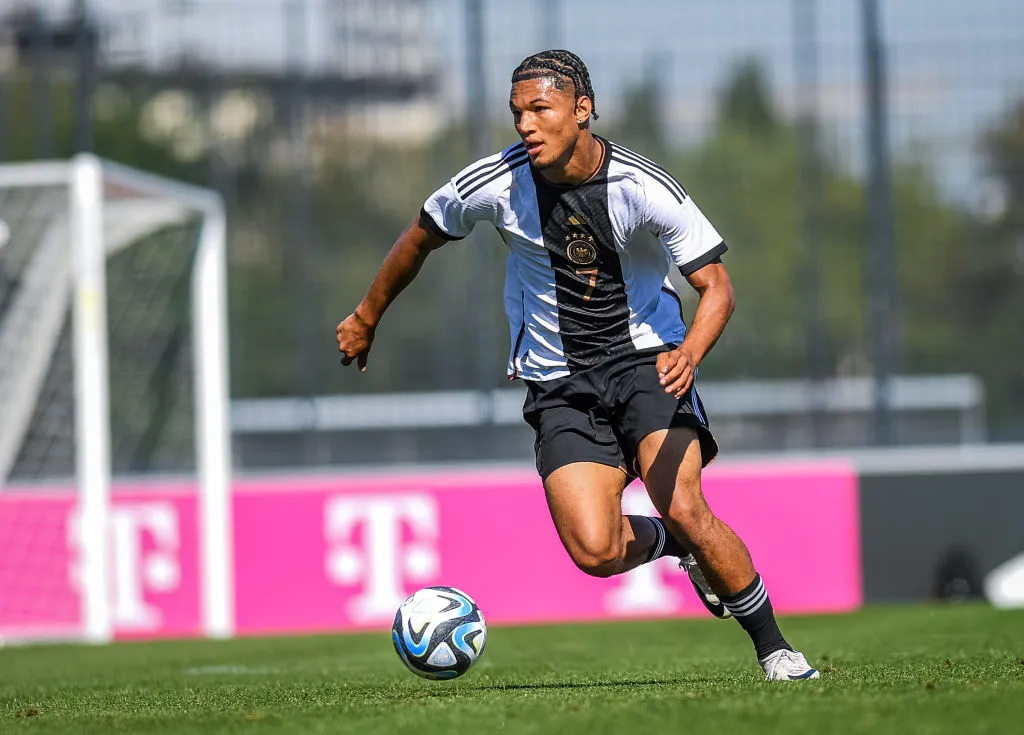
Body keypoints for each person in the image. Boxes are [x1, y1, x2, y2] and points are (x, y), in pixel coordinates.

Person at [337, 49, 819, 681]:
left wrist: (690, 352)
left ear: (582, 109)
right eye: (517, 113)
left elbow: (718, 287)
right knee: (595, 550)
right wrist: (367, 315)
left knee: (683, 503)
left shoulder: (642, 187)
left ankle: (778, 652)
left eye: (540, 109)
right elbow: (421, 234)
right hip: (559, 382)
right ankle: (678, 546)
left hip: (648, 362)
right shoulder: (495, 182)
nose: (525, 125)